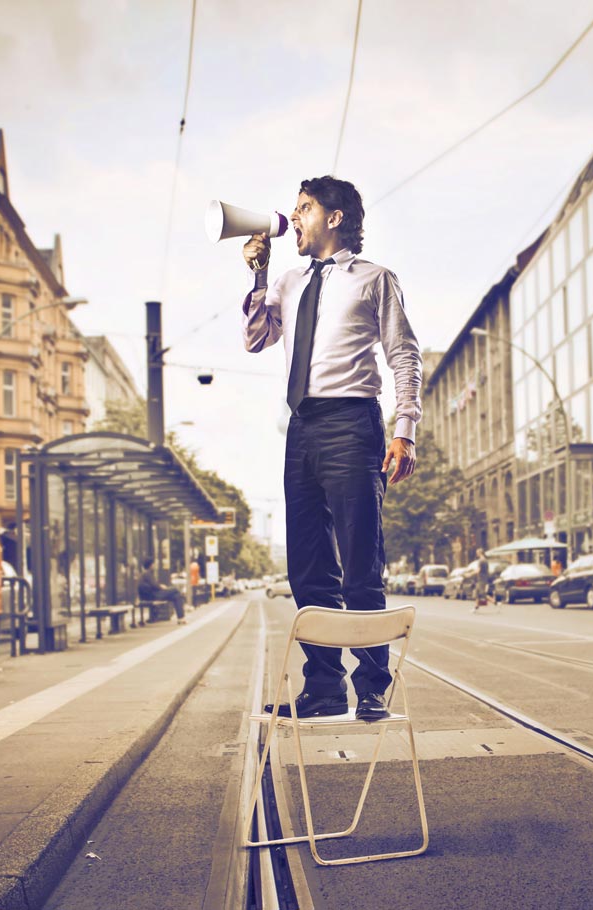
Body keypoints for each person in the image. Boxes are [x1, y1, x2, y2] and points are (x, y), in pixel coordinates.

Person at [241, 175, 422, 723]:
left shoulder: (375, 279)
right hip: (302, 428)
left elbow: (404, 355)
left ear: (334, 217)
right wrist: (259, 271)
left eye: (303, 208)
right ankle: (322, 689)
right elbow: (255, 338)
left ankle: (371, 686)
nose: (293, 218)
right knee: (309, 567)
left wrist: (405, 428)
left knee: (360, 561)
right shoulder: (290, 281)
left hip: (353, 423)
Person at [139, 557, 186, 624]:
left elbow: (153, 584)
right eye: (153, 564)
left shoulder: (145, 574)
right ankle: (181, 618)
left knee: (176, 596)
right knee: (175, 590)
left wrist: (160, 586)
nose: (154, 566)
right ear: (151, 565)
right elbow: (155, 585)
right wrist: (162, 586)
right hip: (153, 595)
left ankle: (181, 618)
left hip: (152, 594)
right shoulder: (147, 574)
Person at [472, 547, 490, 612]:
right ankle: (476, 607)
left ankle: (496, 603)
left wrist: (470, 574)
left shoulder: (481, 561)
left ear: (480, 553)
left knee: (482, 594)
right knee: (476, 593)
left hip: (482, 579)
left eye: (477, 553)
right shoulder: (485, 560)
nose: (476, 554)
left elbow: (478, 570)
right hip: (482, 579)